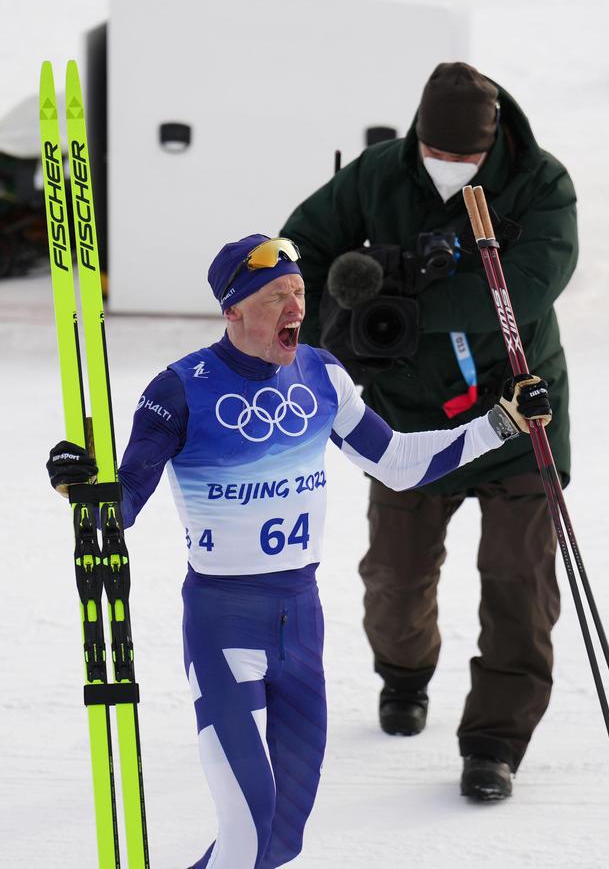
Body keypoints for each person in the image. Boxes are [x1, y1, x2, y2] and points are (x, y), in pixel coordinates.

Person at [47, 235, 551, 868]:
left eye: (298, 292)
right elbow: (119, 506)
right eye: (273, 295)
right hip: (223, 622)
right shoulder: (180, 389)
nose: (293, 306)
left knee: (282, 838)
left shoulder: (320, 372)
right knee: (249, 825)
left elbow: (396, 463)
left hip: (301, 621)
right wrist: (80, 484)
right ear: (231, 310)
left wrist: (501, 422)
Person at [280, 61, 578, 801]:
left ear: (493, 141)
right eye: (434, 155)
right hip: (407, 413)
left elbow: (530, 283)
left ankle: (494, 741)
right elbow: (299, 251)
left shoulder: (541, 184)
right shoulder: (380, 174)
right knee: (395, 578)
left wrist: (412, 283)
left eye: (464, 159)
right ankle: (404, 674)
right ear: (417, 139)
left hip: (516, 408)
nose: (447, 169)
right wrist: (338, 314)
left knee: (520, 583)